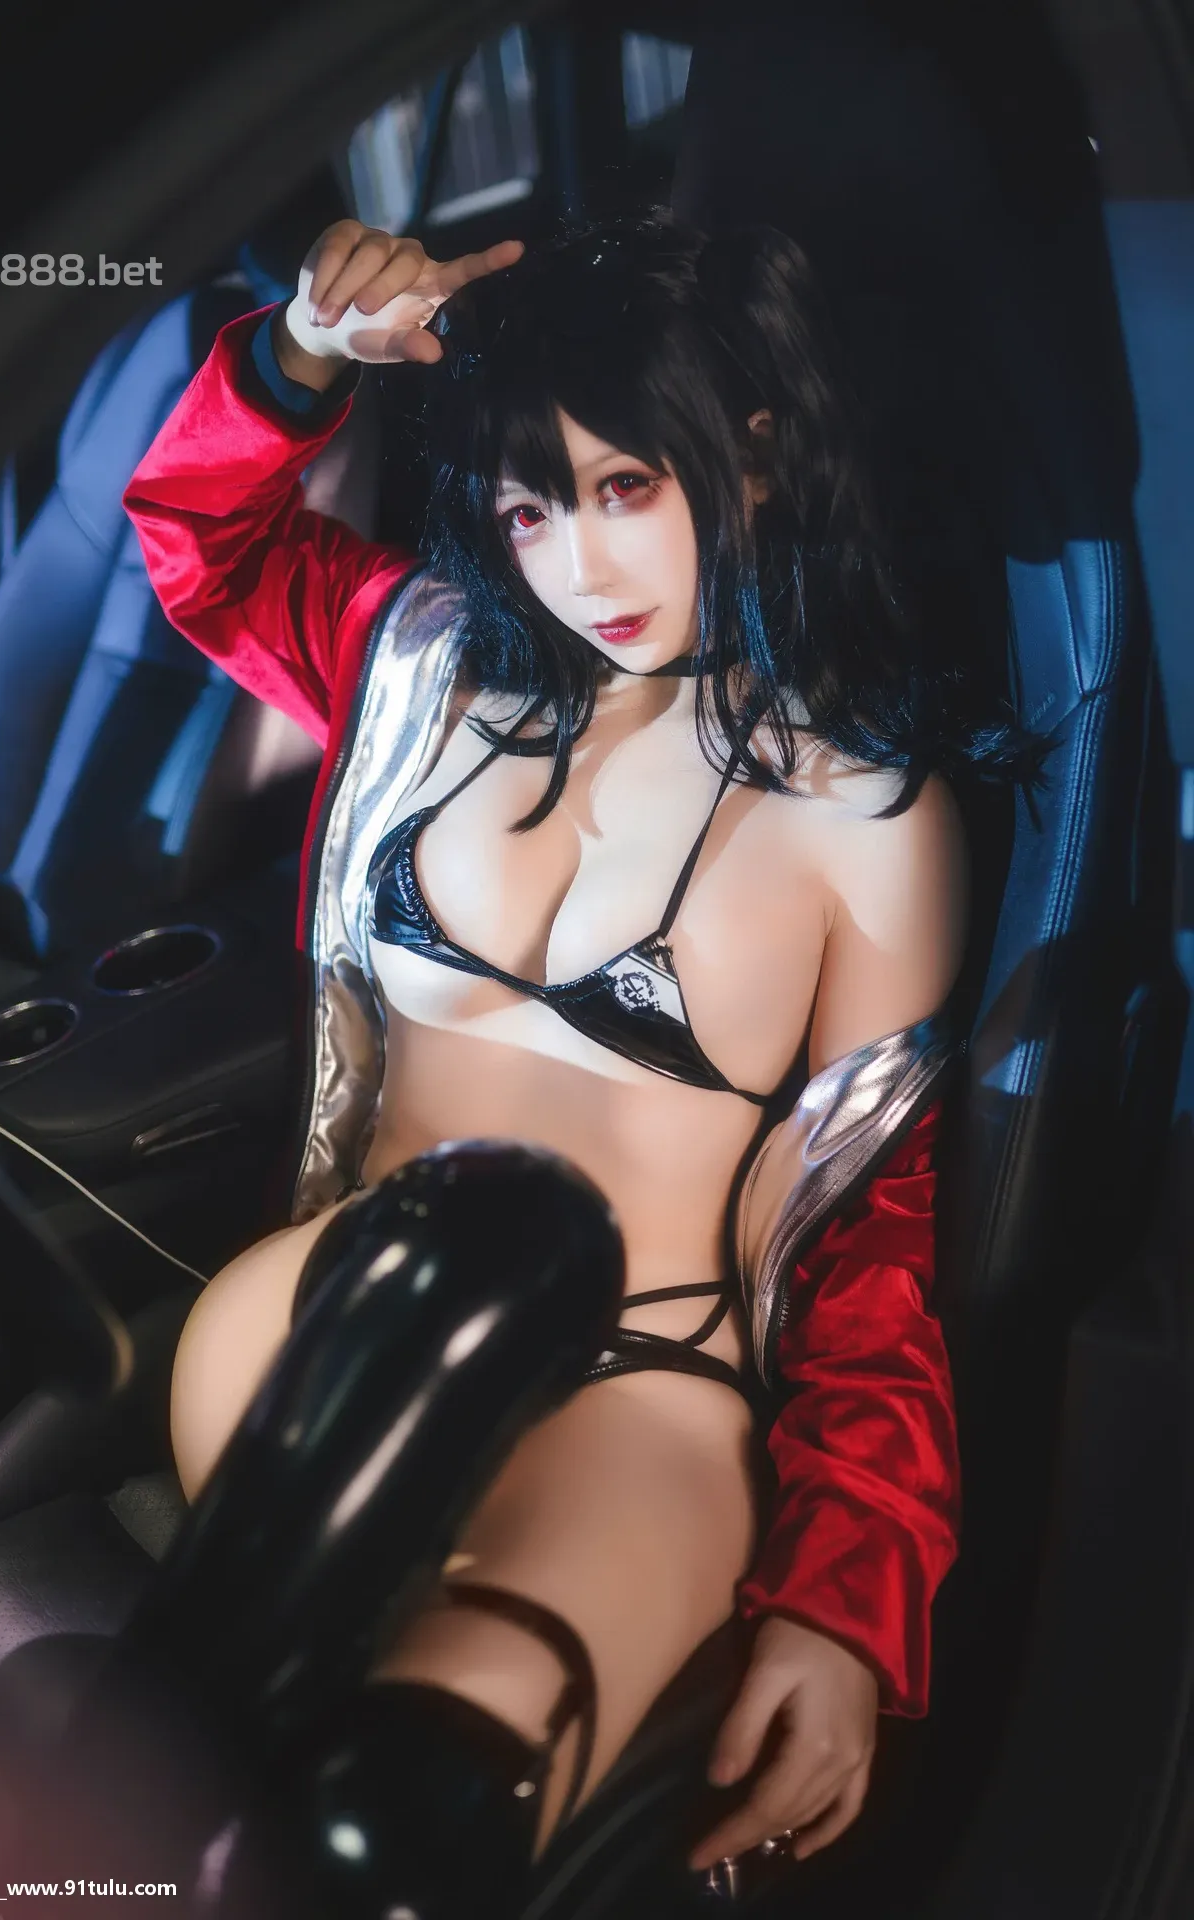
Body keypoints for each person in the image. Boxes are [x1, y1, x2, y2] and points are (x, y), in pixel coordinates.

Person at [121, 210, 1029, 1911]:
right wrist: (302, 356)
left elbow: (874, 1254)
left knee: (382, 1841)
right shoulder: (419, 670)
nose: (578, 566)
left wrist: (848, 1604)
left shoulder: (864, 821)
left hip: (639, 1385)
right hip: (342, 1311)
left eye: (626, 488)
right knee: (181, 1773)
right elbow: (198, 535)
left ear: (753, 458)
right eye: (531, 508)